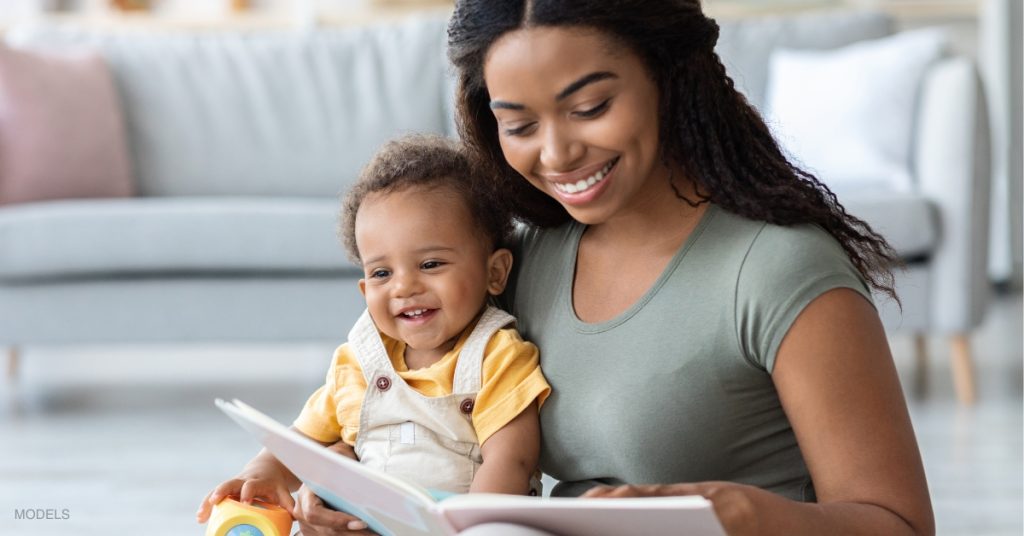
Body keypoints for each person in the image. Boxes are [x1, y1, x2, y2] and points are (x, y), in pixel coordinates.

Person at [297, 1, 935, 535]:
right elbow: (425, 424)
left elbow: (898, 524)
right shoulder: (525, 260)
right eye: (518, 124)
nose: (557, 153)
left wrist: (734, 513)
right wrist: (349, 499)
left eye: (591, 107)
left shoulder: (780, 270)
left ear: (668, 75)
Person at [196, 135, 550, 533]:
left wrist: (464, 528)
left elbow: (511, 462)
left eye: (431, 263)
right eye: (382, 273)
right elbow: (301, 441)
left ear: (495, 273)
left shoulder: (498, 356)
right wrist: (262, 473)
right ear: (365, 290)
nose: (403, 287)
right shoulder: (359, 361)